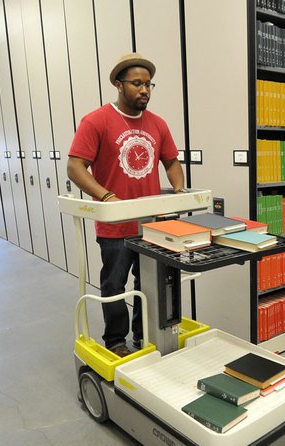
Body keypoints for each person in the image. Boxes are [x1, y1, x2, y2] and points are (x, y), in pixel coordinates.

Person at [68, 53, 185, 357]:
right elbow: (75, 167)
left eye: (148, 84)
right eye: (137, 83)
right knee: (115, 286)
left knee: (149, 284)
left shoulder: (158, 124)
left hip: (152, 226)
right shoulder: (96, 121)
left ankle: (144, 336)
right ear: (119, 85)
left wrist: (179, 191)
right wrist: (106, 196)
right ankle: (116, 341)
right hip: (115, 226)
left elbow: (171, 162)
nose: (144, 90)